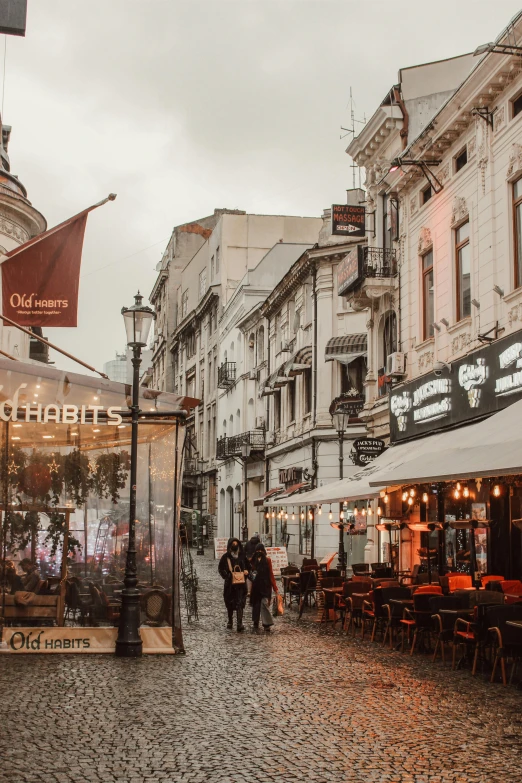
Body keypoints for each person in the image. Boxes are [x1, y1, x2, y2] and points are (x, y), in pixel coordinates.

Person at [218, 538, 249, 632]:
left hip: (241, 585)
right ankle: (230, 620)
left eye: (236, 543)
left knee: (240, 603)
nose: (235, 545)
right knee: (229, 603)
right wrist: (227, 576)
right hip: (229, 586)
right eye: (233, 544)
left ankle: (239, 623)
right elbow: (220, 568)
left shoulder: (242, 556)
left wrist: (246, 572)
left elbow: (249, 567)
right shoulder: (226, 557)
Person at [249, 543, 279, 632]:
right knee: (256, 605)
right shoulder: (252, 561)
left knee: (264, 604)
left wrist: (275, 588)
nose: (259, 552)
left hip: (265, 586)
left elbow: (271, 574)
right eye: (258, 550)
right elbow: (249, 572)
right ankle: (255, 622)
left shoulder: (267, 560)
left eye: (261, 550)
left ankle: (266, 624)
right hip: (256, 587)